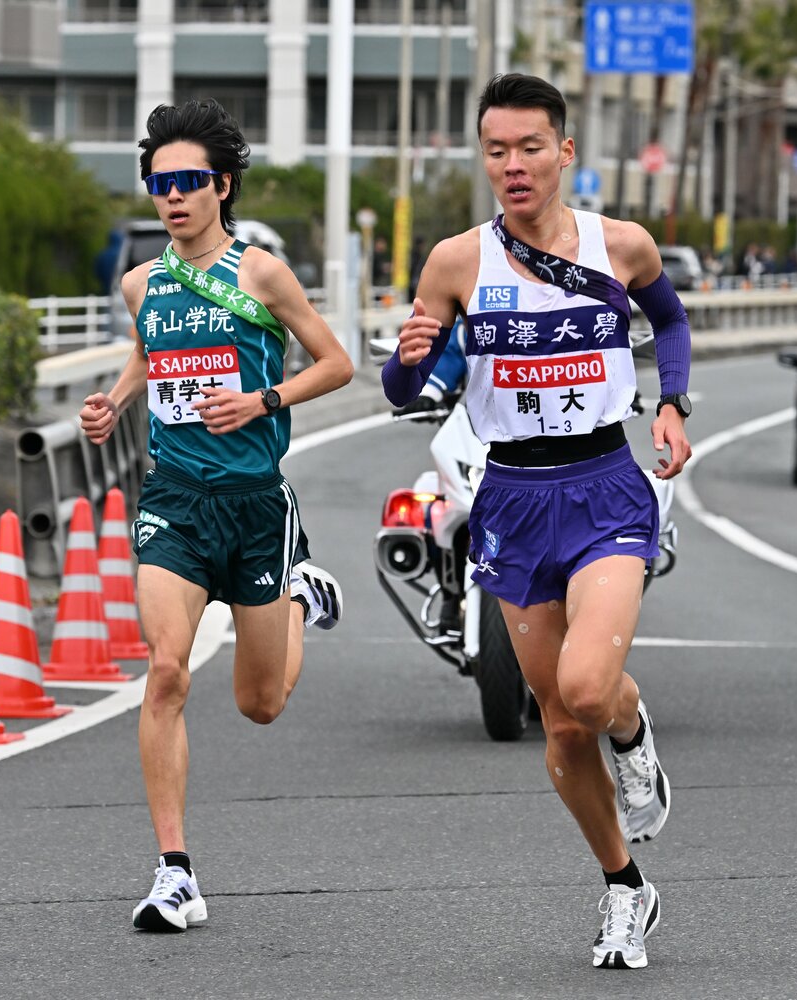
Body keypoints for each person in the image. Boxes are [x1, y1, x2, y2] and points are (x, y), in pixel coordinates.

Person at [382, 73, 692, 971]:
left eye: (529, 148)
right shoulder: (455, 262)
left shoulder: (619, 244)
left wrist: (674, 405)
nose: (512, 166)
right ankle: (625, 889)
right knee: (557, 725)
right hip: (512, 499)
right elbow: (409, 387)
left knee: (591, 692)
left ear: (564, 152)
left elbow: (667, 318)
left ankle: (631, 735)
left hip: (603, 485)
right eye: (495, 150)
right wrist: (407, 362)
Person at [77, 98, 354, 935]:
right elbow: (148, 349)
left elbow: (337, 363)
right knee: (166, 670)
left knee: (260, 704)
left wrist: (262, 398)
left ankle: (301, 595)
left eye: (191, 182)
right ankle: (175, 873)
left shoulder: (259, 273)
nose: (174, 197)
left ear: (222, 186)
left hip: (256, 504)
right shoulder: (142, 282)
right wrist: (114, 403)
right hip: (175, 500)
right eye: (160, 184)